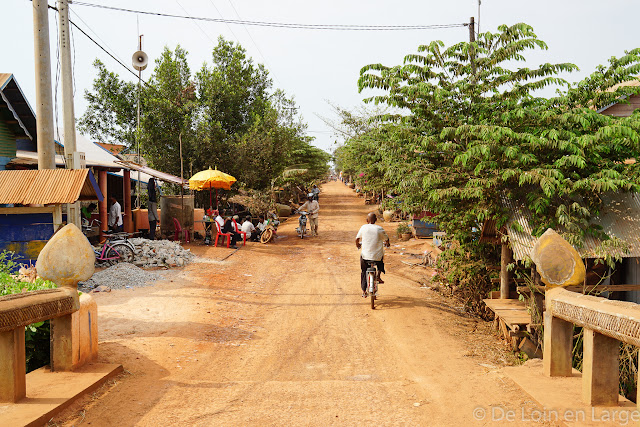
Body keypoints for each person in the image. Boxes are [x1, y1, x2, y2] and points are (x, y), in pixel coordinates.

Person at [355, 212, 390, 298]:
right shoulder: (379, 229)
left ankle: (363, 291)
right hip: (377, 257)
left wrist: (358, 245)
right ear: (376, 220)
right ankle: (378, 276)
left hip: (365, 257)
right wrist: (387, 243)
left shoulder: (363, 227)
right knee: (381, 260)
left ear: (367, 220)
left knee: (363, 271)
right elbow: (387, 239)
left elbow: (357, 239)